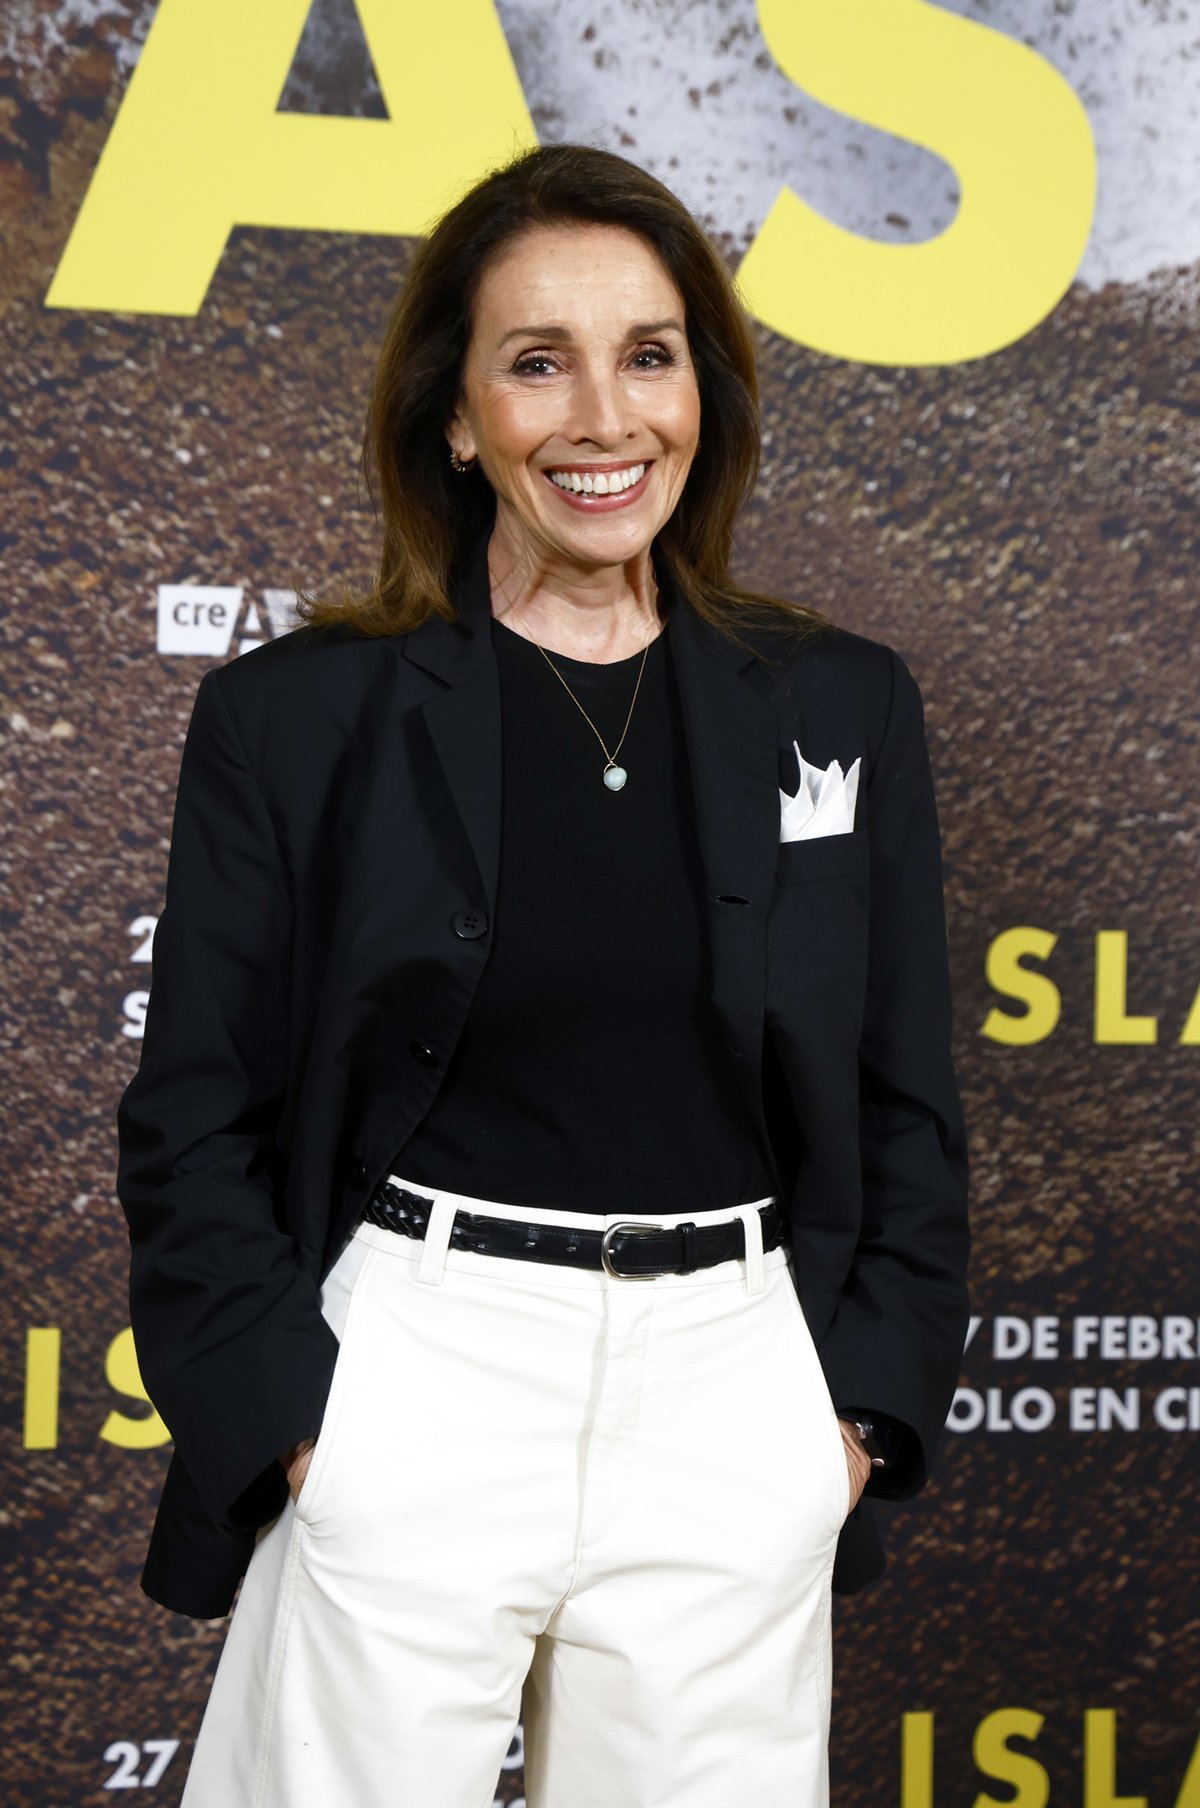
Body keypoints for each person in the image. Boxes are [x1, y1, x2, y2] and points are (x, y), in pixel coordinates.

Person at [115, 142, 969, 1808]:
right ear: (456, 416)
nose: (603, 417)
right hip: (411, 1383)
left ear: (701, 395)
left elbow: (905, 1096)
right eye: (536, 362)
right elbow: (195, 1115)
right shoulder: (296, 721)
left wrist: (851, 1420)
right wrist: (303, 1426)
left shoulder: (842, 705)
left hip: (739, 1397)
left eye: (647, 355)